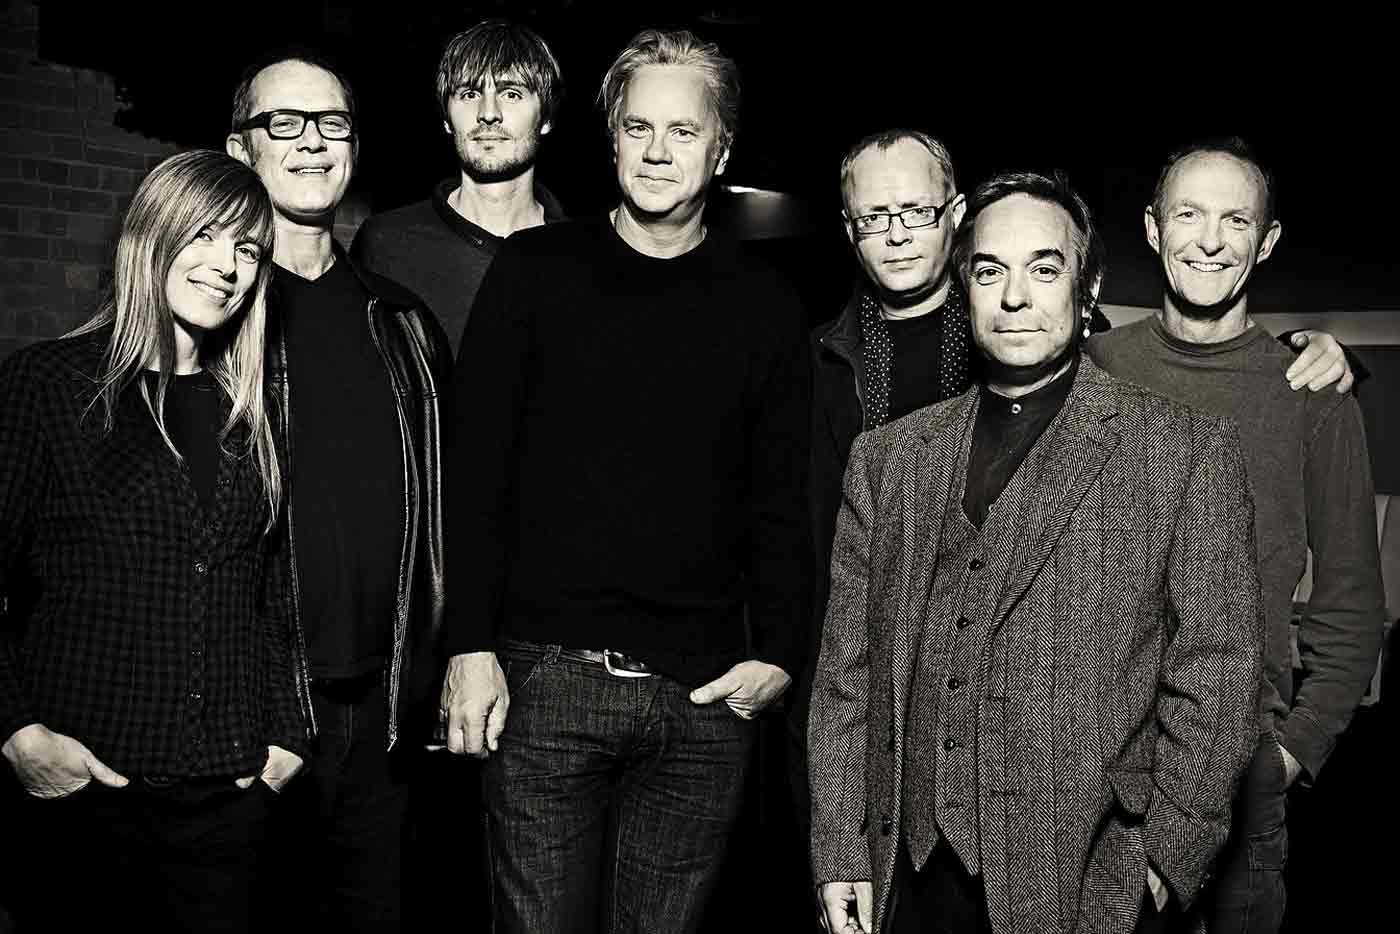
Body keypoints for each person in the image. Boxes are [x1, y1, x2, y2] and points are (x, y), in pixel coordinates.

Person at [810, 171, 1262, 934]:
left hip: (1085, 879)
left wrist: (1161, 865)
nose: (1014, 297)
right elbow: (846, 677)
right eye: (990, 271)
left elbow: (1218, 672)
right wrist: (839, 849)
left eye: (1044, 269)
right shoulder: (889, 461)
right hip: (905, 881)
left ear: (1087, 291)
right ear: (966, 289)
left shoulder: (1184, 451)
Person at [438, 28, 812, 934]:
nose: (656, 151)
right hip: (544, 686)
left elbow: (780, 499)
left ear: (721, 150)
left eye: (683, 131)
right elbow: (475, 473)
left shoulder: (765, 305)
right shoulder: (534, 270)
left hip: (701, 703)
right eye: (638, 128)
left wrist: (780, 653)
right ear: (611, 139)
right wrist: (468, 647)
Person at [0, 149, 304, 934]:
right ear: (153, 235)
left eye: (247, 249)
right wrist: (16, 733)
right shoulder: (49, 385)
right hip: (84, 793)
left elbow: (271, 594)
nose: (226, 266)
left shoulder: (254, 413)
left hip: (227, 805)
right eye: (204, 234)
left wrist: (285, 736)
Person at [1086, 138, 1386, 933]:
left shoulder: (1311, 393)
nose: (1212, 241)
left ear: (1268, 240)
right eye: (1189, 215)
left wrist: (1285, 756)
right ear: (1153, 228)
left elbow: (1351, 601)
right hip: (1092, 777)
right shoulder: (1091, 371)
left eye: (1237, 220)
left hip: (1240, 788)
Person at [226, 48, 452, 930]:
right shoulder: (212, 314)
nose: (312, 142)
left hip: (386, 716)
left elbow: (449, 515)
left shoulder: (403, 323)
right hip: (250, 711)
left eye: (332, 123)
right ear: (241, 149)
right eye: (283, 122)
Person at [351, 19, 567, 353]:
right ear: (446, 119)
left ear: (547, 117)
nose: (489, 113)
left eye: (511, 93)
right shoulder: (385, 244)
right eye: (469, 94)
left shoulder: (578, 257)